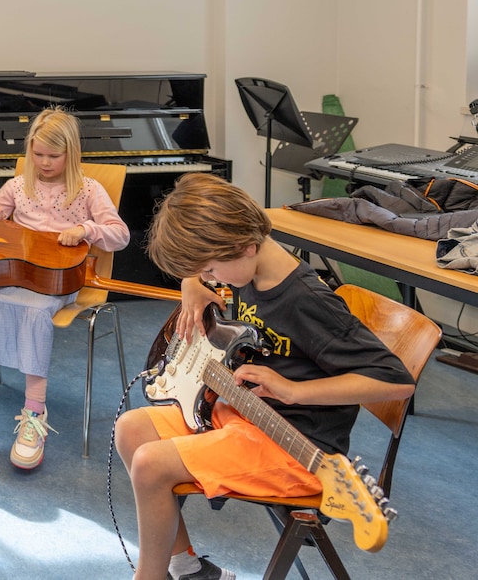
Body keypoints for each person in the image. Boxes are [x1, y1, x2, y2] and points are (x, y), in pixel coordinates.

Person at [115, 173, 416, 580]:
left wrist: (294, 391)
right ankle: (188, 569)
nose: (213, 279)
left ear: (246, 246)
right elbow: (207, 266)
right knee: (131, 429)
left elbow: (396, 381)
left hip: (296, 448)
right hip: (246, 417)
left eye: (212, 269)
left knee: (151, 463)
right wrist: (191, 284)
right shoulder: (247, 264)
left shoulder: (305, 299)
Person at [0, 107, 129, 469]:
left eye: (53, 156)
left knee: (35, 314)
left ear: (71, 153)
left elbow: (120, 235)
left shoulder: (88, 190)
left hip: (57, 284)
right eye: (37, 154)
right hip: (15, 276)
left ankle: (34, 414)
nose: (44, 163)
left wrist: (86, 230)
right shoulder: (19, 185)